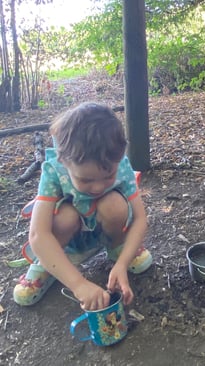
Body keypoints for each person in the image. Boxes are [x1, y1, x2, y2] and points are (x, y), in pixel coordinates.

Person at [13, 102, 152, 310]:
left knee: (114, 204)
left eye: (108, 176)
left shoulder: (120, 164)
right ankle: (49, 263)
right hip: (68, 236)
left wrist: (122, 263)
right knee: (64, 217)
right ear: (64, 161)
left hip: (103, 225)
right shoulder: (54, 170)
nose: (97, 187)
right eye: (85, 180)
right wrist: (78, 285)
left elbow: (140, 219)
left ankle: (117, 247)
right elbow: (38, 235)